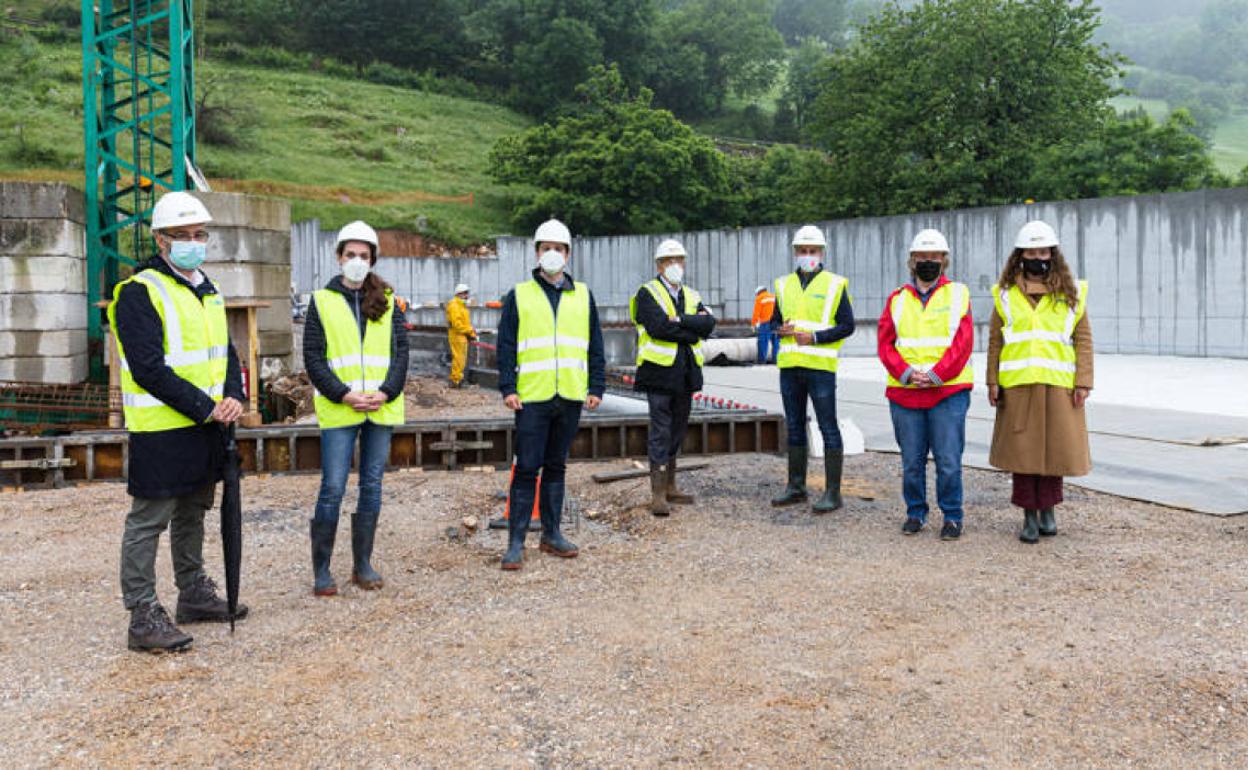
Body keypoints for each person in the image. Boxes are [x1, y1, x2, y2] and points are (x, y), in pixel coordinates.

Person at [107, 190, 248, 653]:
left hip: (206, 425)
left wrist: (233, 396)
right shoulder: (138, 291)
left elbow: (224, 352)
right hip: (163, 428)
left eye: (199, 234)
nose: (193, 242)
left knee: (194, 510)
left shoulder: (208, 288)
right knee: (149, 519)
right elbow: (148, 367)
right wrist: (205, 406)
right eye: (182, 235)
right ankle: (142, 613)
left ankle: (192, 592)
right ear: (160, 240)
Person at [303, 220, 409, 595]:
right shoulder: (321, 301)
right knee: (332, 487)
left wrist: (387, 391)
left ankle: (362, 565)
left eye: (364, 256)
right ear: (338, 257)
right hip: (340, 408)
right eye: (351, 255)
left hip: (380, 407)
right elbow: (313, 358)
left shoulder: (389, 299)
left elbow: (401, 354)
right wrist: (343, 393)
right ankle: (322, 570)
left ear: (372, 259)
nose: (357, 261)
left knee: (372, 486)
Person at [496, 218, 606, 570]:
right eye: (547, 248)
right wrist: (507, 387)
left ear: (568, 254)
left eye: (559, 249)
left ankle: (552, 534)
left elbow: (596, 346)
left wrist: (596, 386)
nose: (553, 254)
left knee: (556, 466)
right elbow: (506, 345)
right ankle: (516, 542)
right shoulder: (520, 295)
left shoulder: (584, 295)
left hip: (570, 394)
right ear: (537, 252)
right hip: (532, 396)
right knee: (527, 467)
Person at [987, 220, 1092, 543]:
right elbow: (995, 341)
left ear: (1053, 254)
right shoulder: (1004, 295)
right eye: (1031, 251)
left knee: (1054, 452)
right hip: (1018, 386)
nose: (1038, 257)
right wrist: (992, 380)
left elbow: (1083, 338)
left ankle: (1049, 511)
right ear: (1020, 256)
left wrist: (1083, 381)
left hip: (1058, 386)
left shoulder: (1071, 293)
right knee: (1024, 455)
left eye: (1043, 250)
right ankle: (1028, 517)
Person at [877, 229, 974, 540]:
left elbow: (963, 343)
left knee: (948, 460)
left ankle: (952, 516)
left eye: (934, 257)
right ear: (912, 261)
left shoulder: (959, 294)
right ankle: (915, 512)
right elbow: (885, 343)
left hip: (947, 391)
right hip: (906, 393)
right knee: (911, 461)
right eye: (922, 257)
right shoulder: (896, 299)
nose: (928, 262)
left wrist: (936, 375)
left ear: (944, 260)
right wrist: (906, 373)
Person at [770, 225, 855, 513]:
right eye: (803, 251)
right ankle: (796, 486)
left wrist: (815, 338)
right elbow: (774, 321)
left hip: (820, 367)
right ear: (795, 253)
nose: (808, 256)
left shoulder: (835, 284)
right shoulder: (783, 285)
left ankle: (833, 493)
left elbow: (847, 325)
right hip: (791, 366)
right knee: (794, 425)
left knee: (827, 426)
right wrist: (778, 329)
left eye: (813, 251)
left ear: (821, 253)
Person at [629, 239, 716, 516]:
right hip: (659, 373)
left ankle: (671, 486)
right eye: (669, 261)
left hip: (686, 373)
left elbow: (708, 324)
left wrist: (678, 320)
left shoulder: (691, 294)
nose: (675, 265)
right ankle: (657, 494)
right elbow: (657, 328)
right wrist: (691, 327)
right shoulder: (648, 293)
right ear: (659, 265)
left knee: (677, 429)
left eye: (679, 260)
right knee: (660, 430)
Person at [446, 282, 477, 388]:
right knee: (459, 359)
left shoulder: (461, 305)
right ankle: (456, 380)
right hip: (457, 335)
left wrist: (470, 333)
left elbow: (464, 323)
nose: (467, 296)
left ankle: (457, 379)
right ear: (459, 294)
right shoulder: (455, 305)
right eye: (465, 293)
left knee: (461, 359)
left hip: (461, 335)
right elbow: (457, 324)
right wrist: (470, 331)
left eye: (467, 293)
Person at [751, 285, 778, 364]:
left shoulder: (760, 298)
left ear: (758, 292)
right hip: (776, 323)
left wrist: (753, 324)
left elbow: (756, 313)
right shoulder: (774, 297)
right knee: (776, 342)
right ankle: (776, 360)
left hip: (766, 323)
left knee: (763, 342)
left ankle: (762, 361)